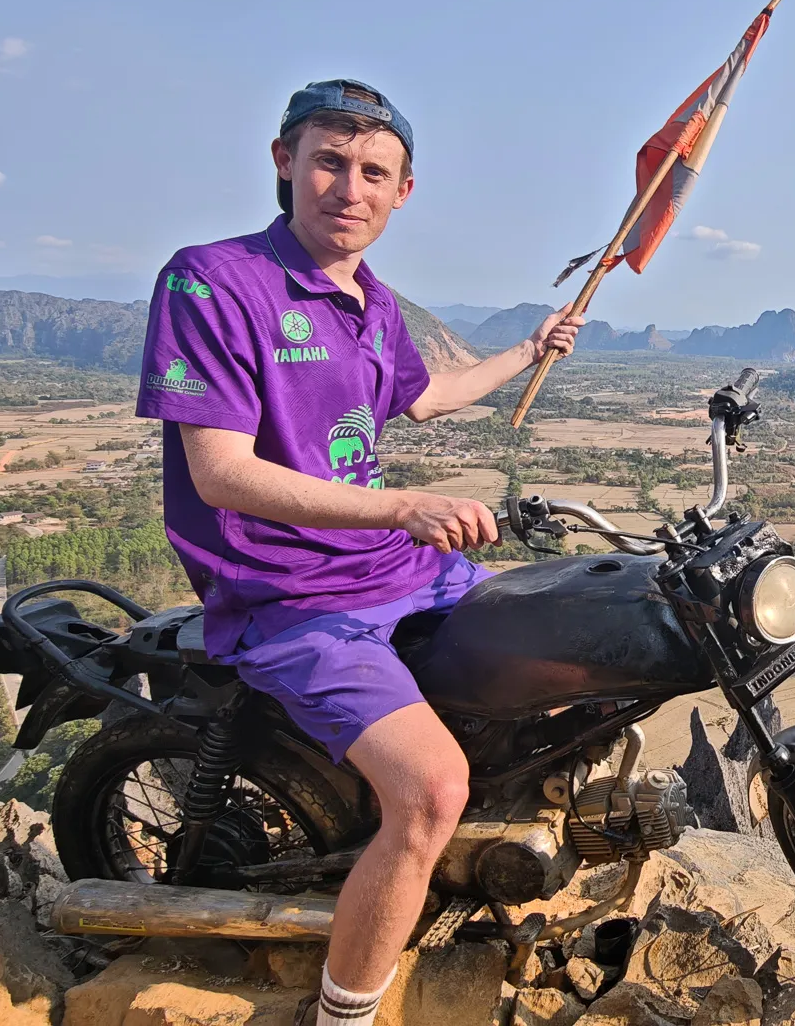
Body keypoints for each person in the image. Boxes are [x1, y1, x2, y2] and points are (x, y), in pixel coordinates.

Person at [135, 79, 584, 1026]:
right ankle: (342, 1012)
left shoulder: (372, 301)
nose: (350, 187)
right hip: (289, 595)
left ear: (403, 192)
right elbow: (219, 473)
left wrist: (528, 349)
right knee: (432, 790)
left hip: (399, 570)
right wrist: (401, 505)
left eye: (374, 171)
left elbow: (422, 397)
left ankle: (474, 869)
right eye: (329, 160)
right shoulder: (211, 279)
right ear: (283, 161)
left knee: (565, 648)